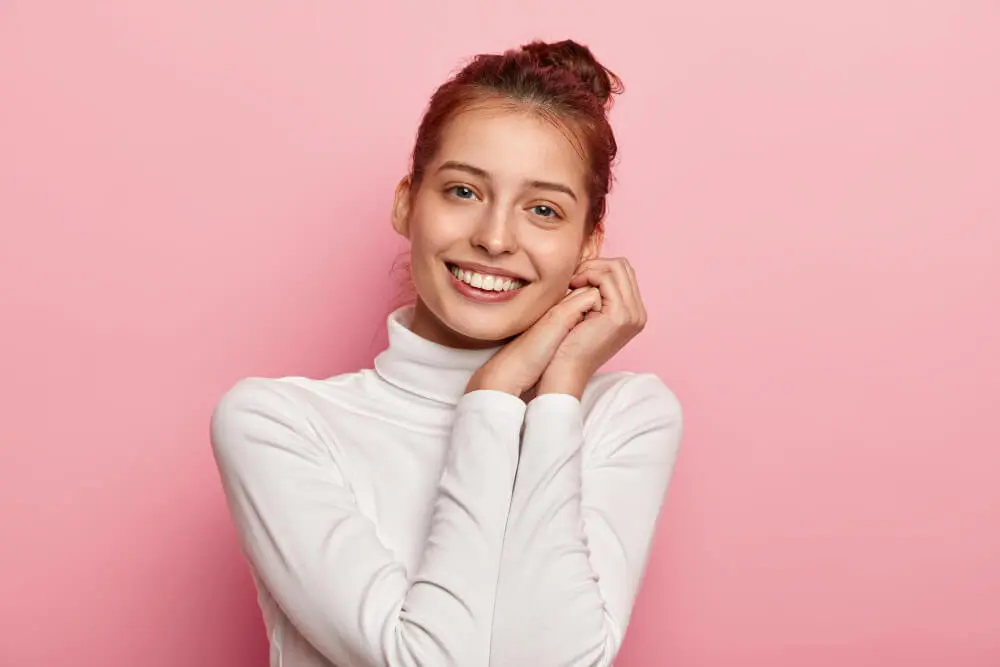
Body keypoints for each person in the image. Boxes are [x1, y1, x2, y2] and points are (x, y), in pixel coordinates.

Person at [210, 38, 683, 667]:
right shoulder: (276, 424)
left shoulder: (623, 416)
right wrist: (494, 394)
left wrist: (556, 390)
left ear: (588, 244)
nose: (493, 238)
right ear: (408, 202)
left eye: (543, 210)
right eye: (463, 192)